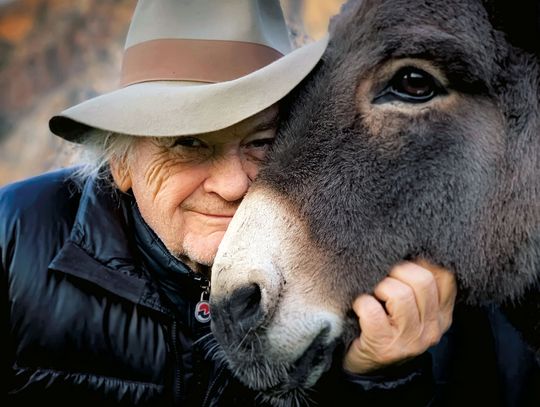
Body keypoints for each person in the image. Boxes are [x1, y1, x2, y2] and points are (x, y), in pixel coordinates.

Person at [1, 0, 462, 406]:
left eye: (262, 142)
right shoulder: (15, 235)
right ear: (121, 165)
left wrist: (376, 378)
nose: (232, 185)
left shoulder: (368, 271)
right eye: (188, 143)